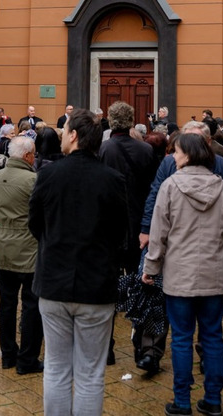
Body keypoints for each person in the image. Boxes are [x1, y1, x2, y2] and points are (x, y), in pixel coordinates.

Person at [29, 110, 127, 416]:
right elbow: (121, 232)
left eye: (64, 130)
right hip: (96, 285)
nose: (60, 134)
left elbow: (34, 224)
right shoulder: (112, 179)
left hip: (54, 282)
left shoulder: (48, 174)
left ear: (73, 135)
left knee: (57, 368)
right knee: (89, 372)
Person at [143, 133, 223, 416]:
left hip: (179, 275)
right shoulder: (222, 188)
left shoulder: (170, 187)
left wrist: (151, 268)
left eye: (178, 151)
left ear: (189, 155)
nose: (173, 155)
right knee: (212, 336)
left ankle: (182, 401)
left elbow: (158, 235)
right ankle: (213, 400)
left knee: (182, 338)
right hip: (214, 273)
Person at [98, 100, 159, 371]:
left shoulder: (102, 149)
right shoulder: (146, 150)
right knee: (142, 286)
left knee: (107, 290)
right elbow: (152, 192)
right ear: (132, 120)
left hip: (109, 231)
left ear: (111, 121)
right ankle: (142, 349)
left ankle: (106, 349)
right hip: (139, 230)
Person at [0, 134, 43, 373]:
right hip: (29, 248)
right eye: (33, 154)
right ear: (27, 156)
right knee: (31, 304)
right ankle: (27, 359)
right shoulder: (33, 180)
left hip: (4, 246)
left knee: (7, 303)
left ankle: (8, 355)